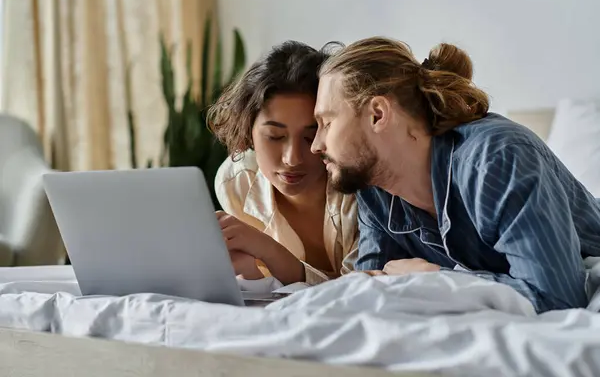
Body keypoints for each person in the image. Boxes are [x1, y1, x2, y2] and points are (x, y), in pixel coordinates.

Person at [309, 36, 600, 313]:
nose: (315, 145)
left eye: (327, 122)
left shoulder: (496, 158)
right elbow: (373, 287)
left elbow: (557, 297)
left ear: (378, 114)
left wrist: (439, 278)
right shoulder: (374, 190)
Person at [207, 40, 358, 286]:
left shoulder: (359, 185)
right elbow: (269, 289)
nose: (292, 158)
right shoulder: (237, 181)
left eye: (310, 136)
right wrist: (249, 271)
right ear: (248, 132)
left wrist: (269, 251)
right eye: (275, 137)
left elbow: (361, 290)